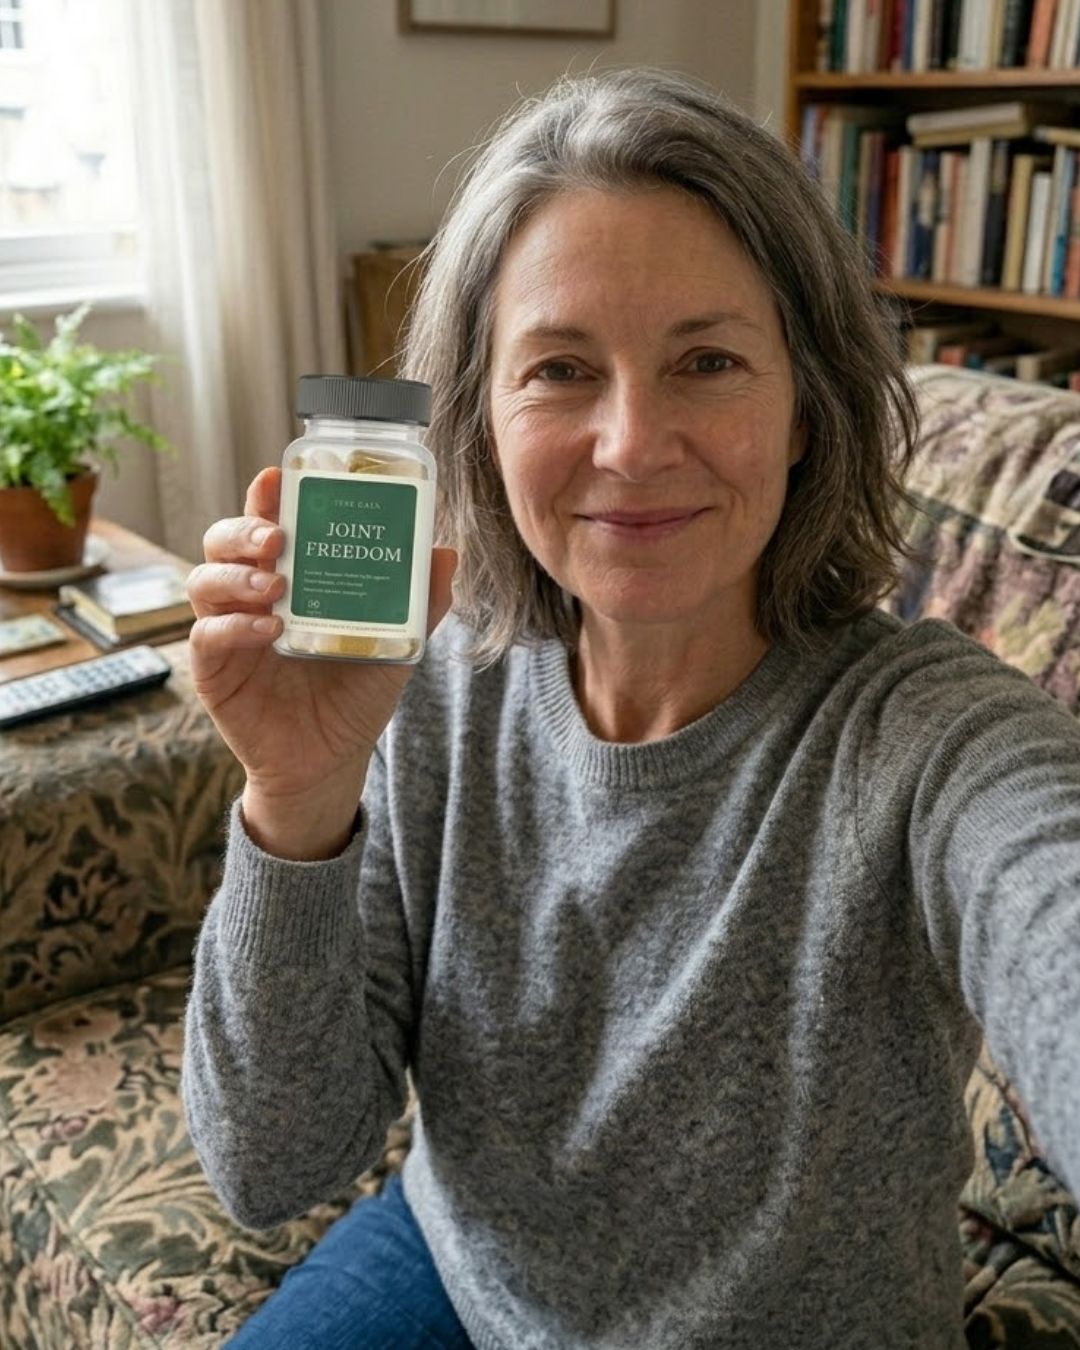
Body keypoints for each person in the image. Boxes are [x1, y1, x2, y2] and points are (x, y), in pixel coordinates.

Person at [182, 67, 1080, 1350]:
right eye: (560, 369)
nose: (632, 443)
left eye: (707, 361)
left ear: (805, 407)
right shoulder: (427, 685)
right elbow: (271, 1165)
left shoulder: (931, 740)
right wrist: (295, 797)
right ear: (480, 425)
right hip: (453, 1266)